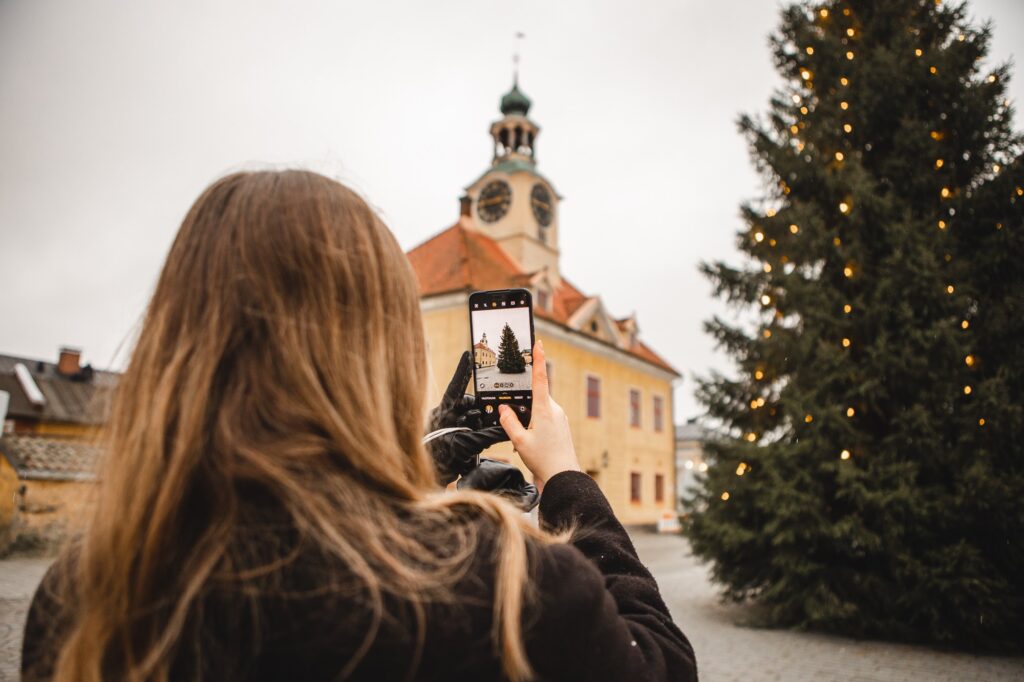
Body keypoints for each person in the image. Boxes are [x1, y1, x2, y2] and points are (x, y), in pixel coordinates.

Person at [21, 170, 697, 681]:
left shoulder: (85, 594)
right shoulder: (500, 582)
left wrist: (420, 458)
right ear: (380, 354)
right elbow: (658, 662)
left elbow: (306, 507)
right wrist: (566, 477)